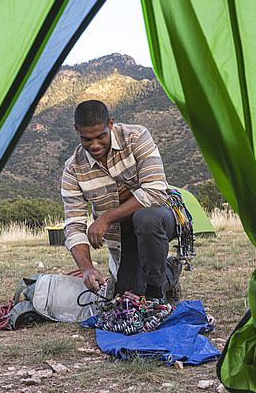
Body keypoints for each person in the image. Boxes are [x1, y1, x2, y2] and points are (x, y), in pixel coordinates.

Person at [60, 99, 182, 304]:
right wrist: (86, 268)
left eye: (100, 137)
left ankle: (156, 294)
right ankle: (168, 273)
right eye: (87, 139)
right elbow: (73, 226)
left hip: (159, 219)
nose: (95, 145)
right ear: (76, 130)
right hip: (122, 236)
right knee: (128, 294)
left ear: (110, 124)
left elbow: (155, 192)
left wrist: (106, 218)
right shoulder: (73, 170)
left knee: (146, 218)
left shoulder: (136, 137)